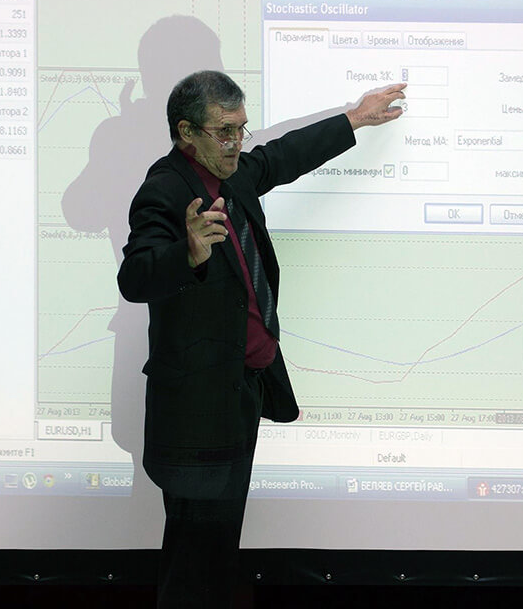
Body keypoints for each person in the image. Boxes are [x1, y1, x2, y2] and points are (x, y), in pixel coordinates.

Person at [117, 70, 405, 608]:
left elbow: (281, 157)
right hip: (196, 415)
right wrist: (187, 252)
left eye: (241, 129)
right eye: (224, 131)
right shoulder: (164, 191)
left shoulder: (232, 176)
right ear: (186, 132)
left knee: (217, 554)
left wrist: (354, 119)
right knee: (193, 565)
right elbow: (134, 279)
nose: (236, 143)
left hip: (238, 395)